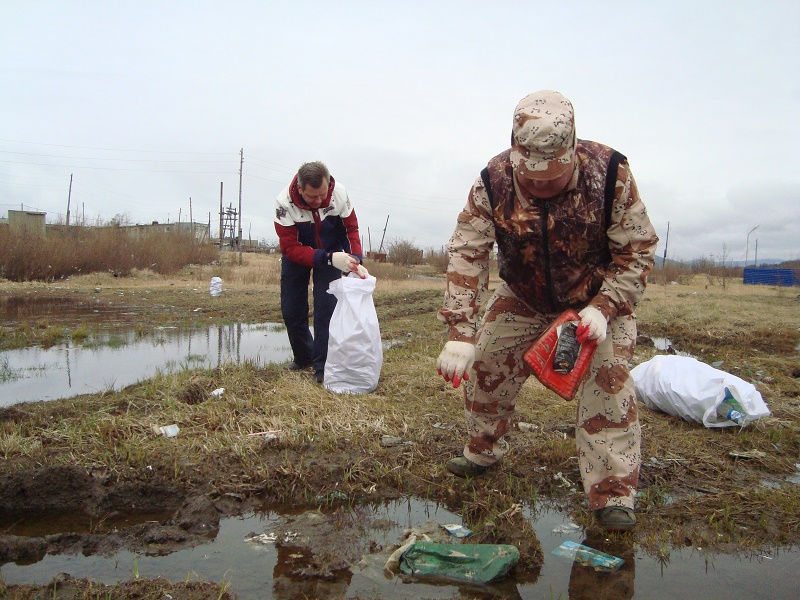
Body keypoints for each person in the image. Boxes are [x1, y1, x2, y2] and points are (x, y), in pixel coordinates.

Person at [436, 90, 658, 531]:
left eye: (551, 176)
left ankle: (613, 492)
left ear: (572, 152)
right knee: (485, 364)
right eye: (531, 176)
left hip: (595, 299)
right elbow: (468, 253)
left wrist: (604, 306)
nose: (540, 185)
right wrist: (461, 332)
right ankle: (484, 449)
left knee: (608, 381)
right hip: (524, 294)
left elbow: (637, 253)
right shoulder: (492, 180)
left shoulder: (610, 171)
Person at [275, 161, 367, 384]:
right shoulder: (283, 204)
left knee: (326, 308)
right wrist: (324, 258)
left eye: (322, 195)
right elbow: (289, 247)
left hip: (331, 253)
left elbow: (351, 229)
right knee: (292, 310)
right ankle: (303, 357)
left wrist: (355, 257)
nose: (318, 201)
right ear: (299, 188)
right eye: (311, 197)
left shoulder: (340, 195)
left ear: (328, 186)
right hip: (299, 254)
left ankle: (323, 365)